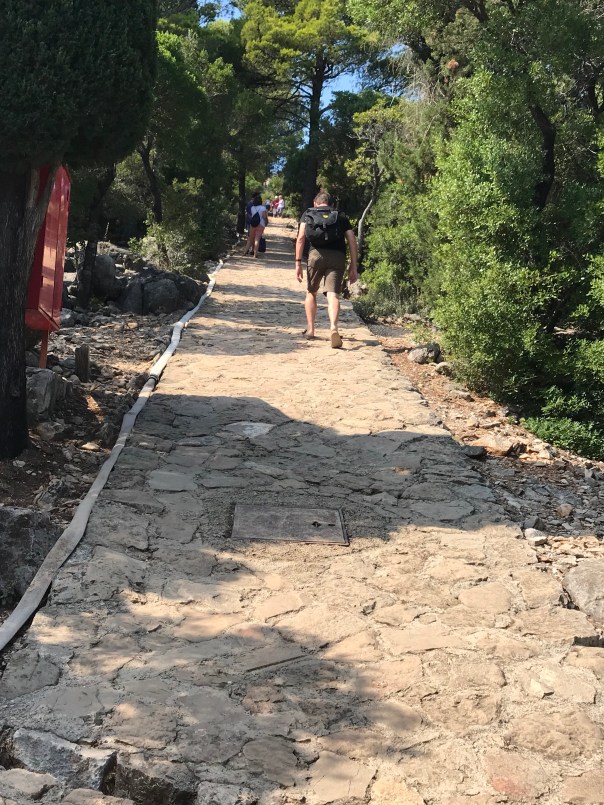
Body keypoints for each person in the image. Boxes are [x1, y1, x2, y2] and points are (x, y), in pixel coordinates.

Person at [295, 191, 358, 348]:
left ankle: (310, 330)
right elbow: (351, 239)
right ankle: (333, 328)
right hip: (337, 256)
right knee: (333, 294)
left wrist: (298, 263)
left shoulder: (308, 214)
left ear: (315, 203)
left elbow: (301, 238)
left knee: (311, 292)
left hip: (315, 255)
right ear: (331, 204)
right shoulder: (340, 216)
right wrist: (353, 265)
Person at [244, 193, 268, 258]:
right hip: (261, 225)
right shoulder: (263, 208)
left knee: (250, 239)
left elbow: (250, 215)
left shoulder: (252, 208)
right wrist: (266, 222)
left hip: (253, 224)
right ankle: (255, 254)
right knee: (257, 239)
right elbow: (264, 217)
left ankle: (245, 252)